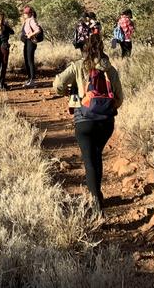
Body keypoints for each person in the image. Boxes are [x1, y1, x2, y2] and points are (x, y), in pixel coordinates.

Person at [53, 25, 123, 214]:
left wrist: (66, 92)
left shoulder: (77, 66)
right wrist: (106, 108)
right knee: (97, 156)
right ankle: (98, 195)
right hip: (106, 122)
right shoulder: (110, 69)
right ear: (102, 49)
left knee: (89, 160)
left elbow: (57, 83)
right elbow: (120, 99)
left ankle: (96, 204)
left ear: (85, 49)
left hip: (84, 120)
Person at [20, 5, 43, 88]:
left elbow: (38, 30)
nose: (24, 14)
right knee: (27, 60)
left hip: (31, 42)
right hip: (27, 42)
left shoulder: (31, 20)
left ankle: (32, 80)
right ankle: (30, 79)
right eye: (24, 13)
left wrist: (30, 35)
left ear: (29, 13)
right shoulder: (27, 20)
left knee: (30, 61)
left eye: (25, 13)